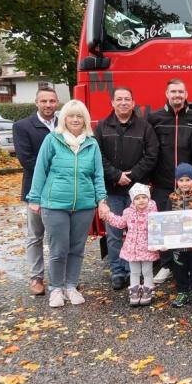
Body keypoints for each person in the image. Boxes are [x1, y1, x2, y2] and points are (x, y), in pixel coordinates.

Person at [26, 100, 109, 308]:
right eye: (71, 116)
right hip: (54, 204)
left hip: (84, 205)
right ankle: (56, 288)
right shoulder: (52, 140)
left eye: (79, 116)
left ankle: (71, 286)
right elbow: (40, 170)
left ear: (85, 120)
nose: (75, 119)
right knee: (58, 249)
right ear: (64, 119)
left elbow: (98, 175)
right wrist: (34, 198)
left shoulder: (91, 144)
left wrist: (102, 201)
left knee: (77, 248)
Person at [94, 87, 159, 291]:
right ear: (112, 103)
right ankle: (118, 272)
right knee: (114, 233)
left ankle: (134, 273)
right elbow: (98, 155)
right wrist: (116, 175)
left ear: (133, 103)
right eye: (119, 99)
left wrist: (132, 176)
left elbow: (152, 154)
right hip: (112, 189)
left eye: (127, 99)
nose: (123, 102)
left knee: (140, 232)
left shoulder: (145, 127)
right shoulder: (103, 127)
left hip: (138, 192)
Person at [147, 79, 192, 284]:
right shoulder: (154, 118)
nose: (177, 95)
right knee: (165, 225)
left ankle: (187, 266)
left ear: (186, 94)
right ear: (166, 93)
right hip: (162, 182)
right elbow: (149, 149)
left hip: (189, 185)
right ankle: (166, 265)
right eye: (173, 91)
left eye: (181, 92)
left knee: (190, 225)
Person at [13, 88, 58, 296]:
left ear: (57, 103)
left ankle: (61, 278)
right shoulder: (22, 126)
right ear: (36, 103)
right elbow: (26, 159)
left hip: (62, 191)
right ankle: (36, 278)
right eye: (44, 101)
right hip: (36, 190)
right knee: (35, 236)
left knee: (59, 236)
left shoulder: (64, 123)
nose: (48, 105)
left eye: (51, 101)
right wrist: (57, 174)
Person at [101, 183, 159, 306]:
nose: (141, 201)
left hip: (148, 248)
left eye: (144, 197)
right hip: (131, 248)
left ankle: (148, 290)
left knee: (147, 271)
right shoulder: (128, 212)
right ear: (133, 200)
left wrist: (161, 243)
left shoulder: (153, 212)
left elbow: (159, 228)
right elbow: (120, 223)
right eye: (137, 198)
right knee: (134, 272)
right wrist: (108, 216)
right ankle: (134, 291)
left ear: (148, 198)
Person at [168, 163, 192, 308]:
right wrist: (165, 240)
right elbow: (165, 220)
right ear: (176, 181)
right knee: (179, 269)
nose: (184, 183)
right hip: (177, 244)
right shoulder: (172, 198)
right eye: (181, 180)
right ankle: (182, 291)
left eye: (188, 180)